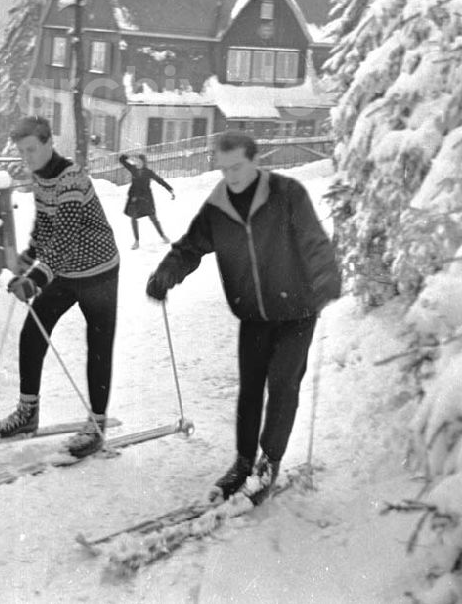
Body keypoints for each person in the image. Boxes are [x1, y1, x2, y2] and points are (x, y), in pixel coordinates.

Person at [146, 130, 340, 501]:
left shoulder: (287, 195)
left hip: (297, 311)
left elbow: (314, 241)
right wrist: (166, 274)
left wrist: (326, 278)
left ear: (255, 161)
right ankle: (243, 460)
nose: (231, 176)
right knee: (250, 390)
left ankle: (269, 460)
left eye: (237, 167)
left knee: (283, 385)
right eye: (224, 169)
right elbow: (189, 248)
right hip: (253, 315)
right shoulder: (218, 208)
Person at [0, 116, 120, 459]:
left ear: (49, 143)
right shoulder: (41, 177)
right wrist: (28, 257)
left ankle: (96, 425)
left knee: (98, 345)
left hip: (99, 271)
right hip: (67, 270)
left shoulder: (71, 178)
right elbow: (46, 226)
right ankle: (27, 412)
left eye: (32, 149)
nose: (27, 157)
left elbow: (64, 240)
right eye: (22, 151)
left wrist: (34, 279)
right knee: (33, 329)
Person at [118, 152, 174, 248]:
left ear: (144, 162)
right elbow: (122, 160)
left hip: (146, 199)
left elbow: (160, 180)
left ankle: (163, 236)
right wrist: (128, 156)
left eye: (140, 161)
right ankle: (136, 241)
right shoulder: (133, 169)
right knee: (133, 218)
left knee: (153, 218)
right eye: (137, 161)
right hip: (135, 199)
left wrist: (170, 189)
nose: (138, 163)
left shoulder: (148, 172)